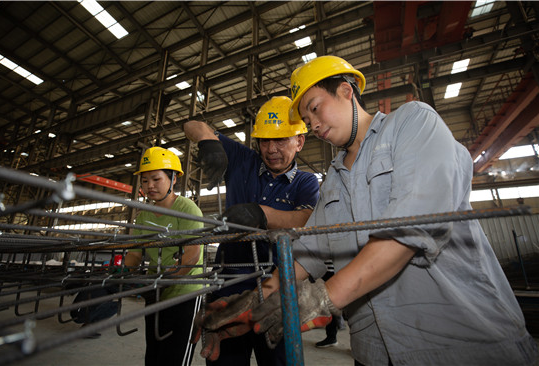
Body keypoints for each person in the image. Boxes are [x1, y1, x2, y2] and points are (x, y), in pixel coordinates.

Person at [191, 55, 539, 365]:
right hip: (374, 351)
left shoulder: (413, 124)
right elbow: (305, 254)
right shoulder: (334, 182)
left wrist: (324, 296)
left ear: (346, 91)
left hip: (459, 344)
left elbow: (407, 229)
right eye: (305, 117)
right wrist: (253, 302)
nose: (311, 124)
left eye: (314, 107)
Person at [183, 96, 320, 366]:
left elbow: (307, 218)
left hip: (277, 290)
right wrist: (208, 142)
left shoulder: (306, 182)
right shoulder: (242, 161)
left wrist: (262, 214)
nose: (271, 149)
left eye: (281, 140)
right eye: (265, 140)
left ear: (300, 142)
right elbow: (192, 125)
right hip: (229, 290)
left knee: (279, 360)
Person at [124, 146, 204, 366]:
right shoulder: (143, 216)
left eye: (156, 179)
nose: (150, 186)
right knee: (155, 354)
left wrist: (166, 280)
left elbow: (192, 255)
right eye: (145, 180)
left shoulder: (186, 209)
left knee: (176, 356)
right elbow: (135, 252)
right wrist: (122, 272)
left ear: (173, 179)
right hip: (155, 293)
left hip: (185, 294)